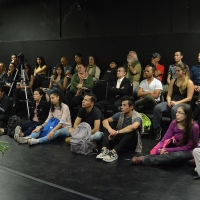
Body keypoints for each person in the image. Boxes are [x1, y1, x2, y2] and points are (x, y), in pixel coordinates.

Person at [132, 104, 199, 166]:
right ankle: (187, 162)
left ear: (187, 115)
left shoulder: (194, 127)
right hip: (176, 148)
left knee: (176, 156)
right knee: (168, 154)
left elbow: (188, 147)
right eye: (177, 112)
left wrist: (168, 150)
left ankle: (146, 160)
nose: (177, 114)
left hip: (190, 151)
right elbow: (164, 139)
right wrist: (160, 150)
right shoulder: (174, 123)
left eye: (180, 113)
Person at [153, 63, 194, 140]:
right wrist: (168, 101)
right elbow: (169, 95)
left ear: (184, 71)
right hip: (173, 102)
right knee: (157, 107)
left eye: (178, 71)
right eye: (176, 71)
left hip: (184, 103)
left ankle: (174, 131)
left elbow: (189, 98)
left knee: (174, 109)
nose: (176, 72)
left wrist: (177, 103)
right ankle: (157, 130)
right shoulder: (173, 81)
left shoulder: (189, 82)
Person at [96, 96, 142, 163]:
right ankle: (104, 149)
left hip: (132, 144)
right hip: (120, 140)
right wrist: (110, 130)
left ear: (131, 107)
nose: (121, 107)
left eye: (124, 105)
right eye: (121, 105)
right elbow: (104, 121)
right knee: (109, 125)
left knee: (131, 130)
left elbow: (134, 127)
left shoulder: (137, 116)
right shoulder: (120, 114)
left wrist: (117, 132)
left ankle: (114, 152)